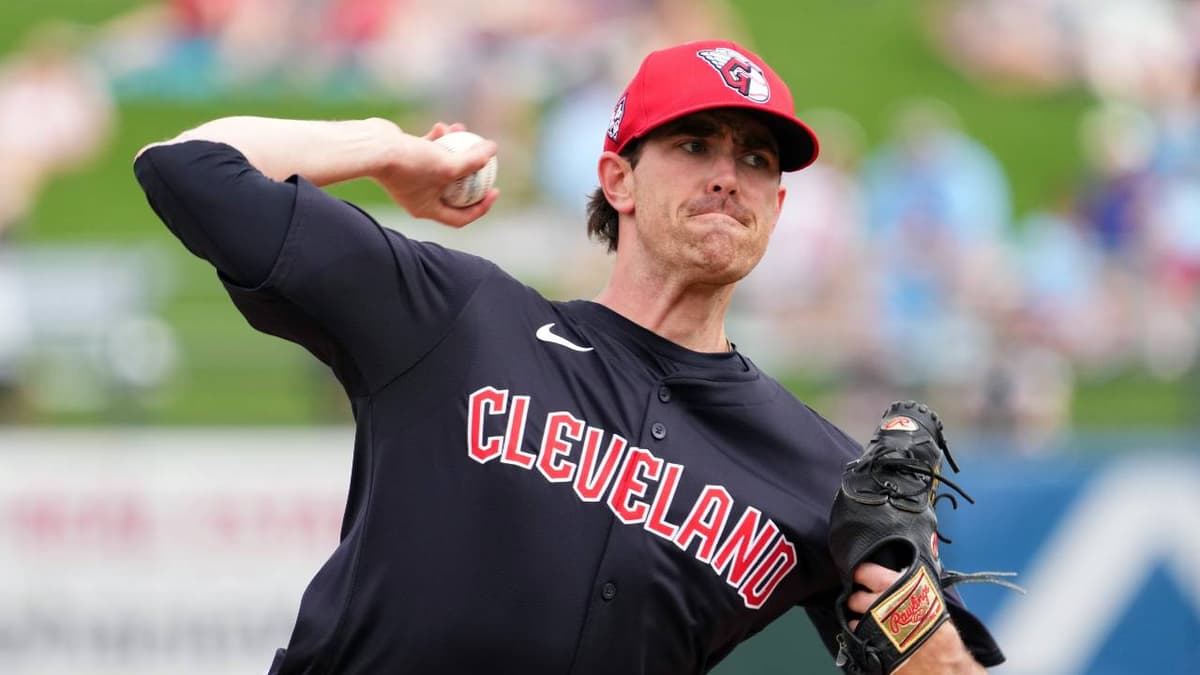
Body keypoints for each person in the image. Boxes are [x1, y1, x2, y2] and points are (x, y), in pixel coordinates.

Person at [134, 39, 1002, 674]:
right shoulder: (458, 318)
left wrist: (920, 626)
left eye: (756, 158)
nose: (728, 174)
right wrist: (394, 150)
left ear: (776, 209)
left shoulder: (817, 470)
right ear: (617, 179)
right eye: (695, 144)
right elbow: (186, 168)